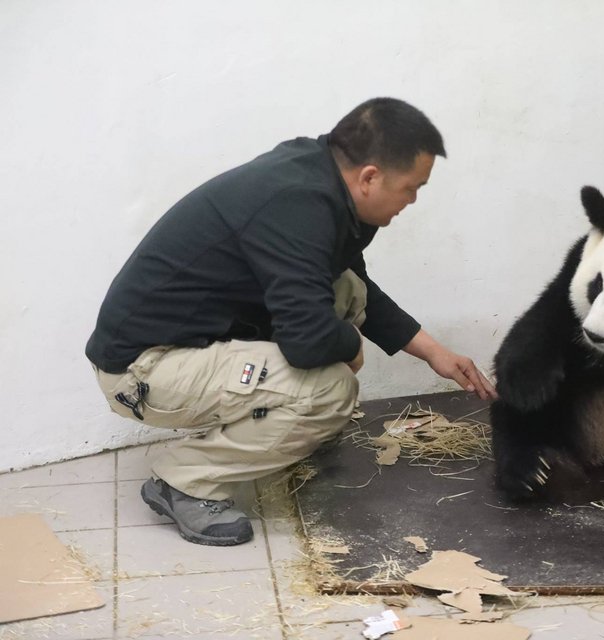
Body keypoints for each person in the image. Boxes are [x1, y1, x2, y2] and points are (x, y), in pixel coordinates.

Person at [86, 97, 496, 546]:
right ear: (370, 177)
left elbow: (355, 289)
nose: (413, 200)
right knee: (332, 388)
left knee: (346, 291)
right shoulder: (296, 206)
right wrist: (350, 347)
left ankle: (277, 428)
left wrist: (435, 353)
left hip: (192, 343)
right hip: (143, 369)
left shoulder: (320, 180)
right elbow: (307, 341)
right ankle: (185, 482)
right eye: (412, 187)